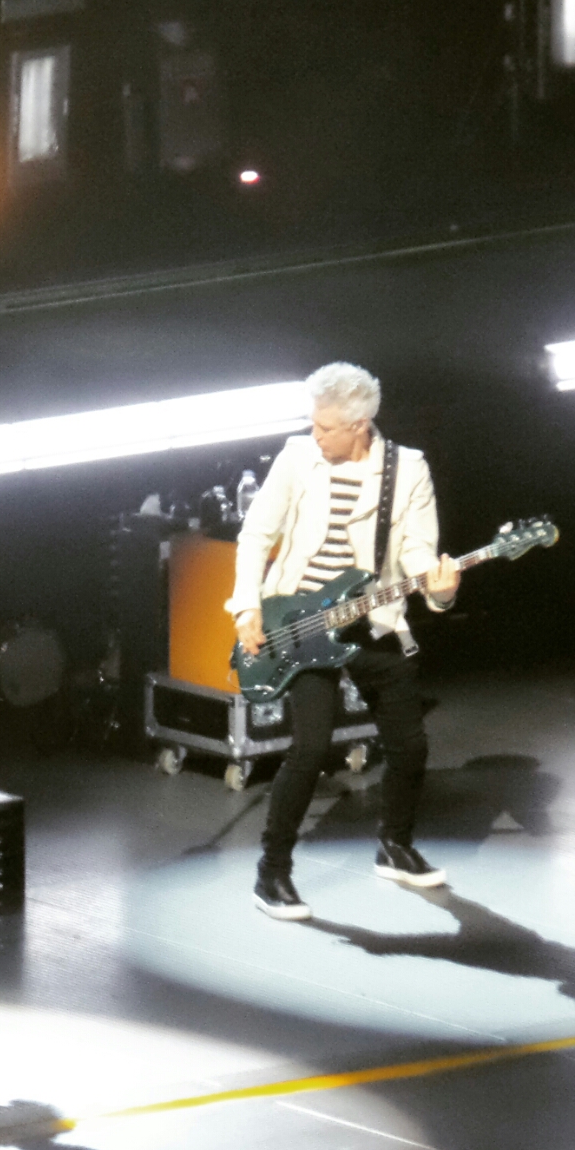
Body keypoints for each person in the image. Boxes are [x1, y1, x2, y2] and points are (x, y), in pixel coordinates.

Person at [229, 363, 461, 920]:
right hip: (299, 623)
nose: (316, 435)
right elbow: (257, 533)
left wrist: (441, 590)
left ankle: (395, 846)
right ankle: (272, 873)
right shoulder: (297, 456)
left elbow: (418, 551)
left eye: (326, 427)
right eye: (313, 423)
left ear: (360, 425)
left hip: (370, 616)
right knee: (310, 748)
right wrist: (247, 606)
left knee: (410, 745)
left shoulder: (407, 469)